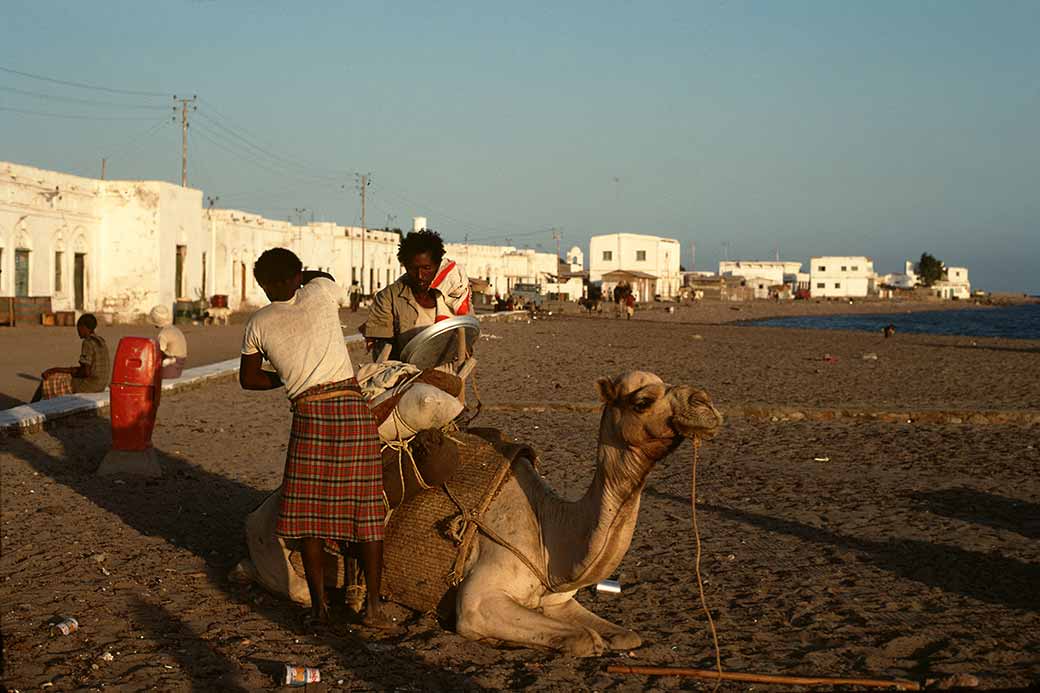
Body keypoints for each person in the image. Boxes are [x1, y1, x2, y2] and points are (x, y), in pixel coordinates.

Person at [238, 248, 391, 629]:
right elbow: (321, 271)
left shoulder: (258, 322)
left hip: (309, 413)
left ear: (262, 284)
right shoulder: (321, 291)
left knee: (310, 517)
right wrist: (303, 276)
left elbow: (249, 379)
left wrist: (285, 377)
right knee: (366, 511)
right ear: (297, 276)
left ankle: (320, 609)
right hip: (351, 410)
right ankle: (373, 606)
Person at [363, 229, 471, 362]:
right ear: (405, 266)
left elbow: (467, 336)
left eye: (427, 268)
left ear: (437, 265)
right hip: (404, 372)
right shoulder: (388, 297)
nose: (420, 276)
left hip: (445, 369)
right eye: (413, 269)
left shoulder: (454, 292)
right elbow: (382, 349)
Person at [32, 313, 110, 402]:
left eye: (78, 327)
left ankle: (31, 406)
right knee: (59, 375)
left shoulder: (87, 342)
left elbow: (85, 372)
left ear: (84, 327)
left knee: (48, 380)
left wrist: (55, 370)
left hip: (90, 386)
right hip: (101, 384)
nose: (77, 331)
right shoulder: (101, 341)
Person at [148, 305, 188, 379]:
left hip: (171, 363)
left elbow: (159, 351)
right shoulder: (175, 329)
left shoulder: (163, 334)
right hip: (180, 363)